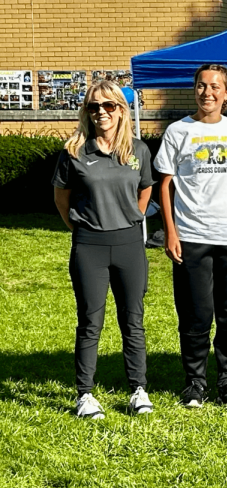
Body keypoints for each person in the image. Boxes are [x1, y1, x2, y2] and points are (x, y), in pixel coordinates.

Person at [52, 79, 154, 419]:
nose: (101, 112)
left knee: (133, 321)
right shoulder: (74, 152)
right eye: (94, 106)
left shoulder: (138, 150)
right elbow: (61, 200)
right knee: (90, 322)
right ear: (87, 111)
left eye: (108, 106)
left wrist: (132, 218)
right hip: (90, 246)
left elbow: (145, 190)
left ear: (121, 110)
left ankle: (138, 389)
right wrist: (83, 229)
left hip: (128, 244)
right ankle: (85, 395)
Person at [155, 64, 227, 408]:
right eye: (200, 86)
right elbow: (164, 184)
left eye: (214, 87)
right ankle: (195, 382)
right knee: (196, 313)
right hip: (192, 235)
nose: (206, 92)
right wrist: (170, 231)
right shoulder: (178, 131)